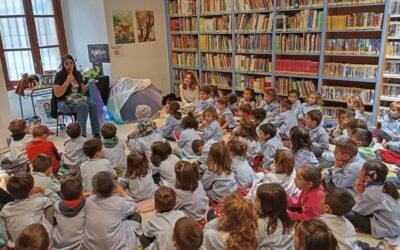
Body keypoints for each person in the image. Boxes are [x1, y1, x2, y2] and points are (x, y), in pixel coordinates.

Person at [83, 172, 141, 249]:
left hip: (91, 246)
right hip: (115, 247)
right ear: (114, 187)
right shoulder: (119, 203)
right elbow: (133, 206)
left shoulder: (87, 202)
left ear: (93, 189)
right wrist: (122, 192)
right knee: (136, 216)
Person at [346, 160, 400, 241]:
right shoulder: (387, 183)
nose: (359, 171)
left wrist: (359, 193)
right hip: (395, 225)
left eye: (362, 170)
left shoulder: (372, 193)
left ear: (367, 178)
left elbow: (358, 210)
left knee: (346, 212)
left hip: (386, 229)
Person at [0, 172, 56, 248]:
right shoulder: (41, 202)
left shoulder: (5, 209)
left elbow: (5, 235)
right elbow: (57, 202)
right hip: (39, 242)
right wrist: (43, 189)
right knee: (51, 207)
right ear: (31, 191)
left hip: (16, 245)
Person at [53, 54, 100, 137]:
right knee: (83, 106)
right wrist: (67, 81)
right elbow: (57, 94)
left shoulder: (77, 74)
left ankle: (96, 132)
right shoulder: (59, 75)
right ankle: (82, 134)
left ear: (74, 64)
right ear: (63, 65)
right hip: (63, 102)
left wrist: (89, 84)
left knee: (93, 105)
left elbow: (81, 91)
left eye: (71, 63)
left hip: (77, 99)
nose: (69, 66)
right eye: (66, 64)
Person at [255, 184, 295, 250]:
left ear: (269, 206)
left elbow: (255, 242)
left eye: (257, 200)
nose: (254, 200)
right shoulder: (286, 217)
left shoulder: (261, 224)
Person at [52, 177, 86, 250]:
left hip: (57, 245)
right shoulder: (86, 206)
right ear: (81, 192)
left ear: (62, 194)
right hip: (77, 246)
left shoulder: (57, 205)